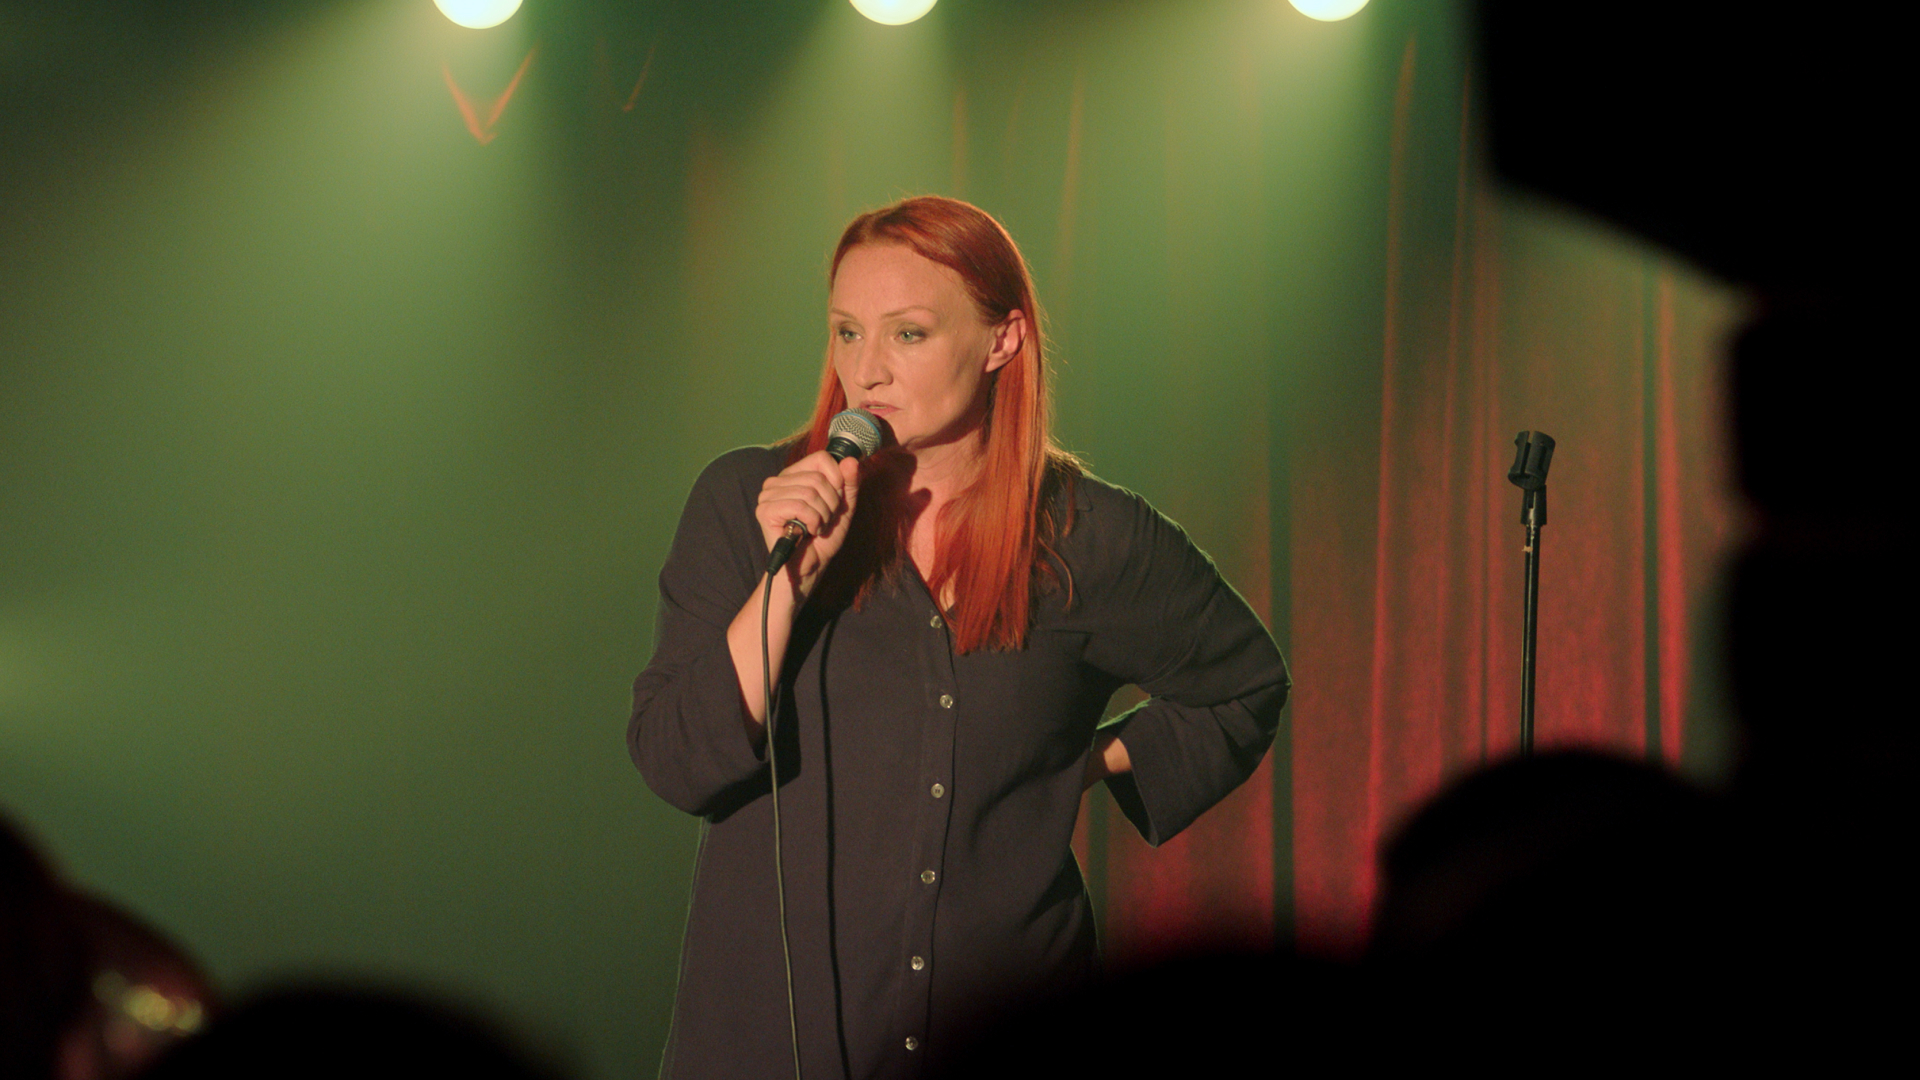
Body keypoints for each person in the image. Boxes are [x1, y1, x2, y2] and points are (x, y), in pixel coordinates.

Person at [628, 195, 1289, 1079]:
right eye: (847, 332)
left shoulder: (1088, 537)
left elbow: (1243, 685)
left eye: (907, 334)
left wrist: (1081, 764)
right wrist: (790, 581)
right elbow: (678, 762)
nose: (867, 370)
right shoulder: (750, 503)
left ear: (1002, 340)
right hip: (766, 1047)